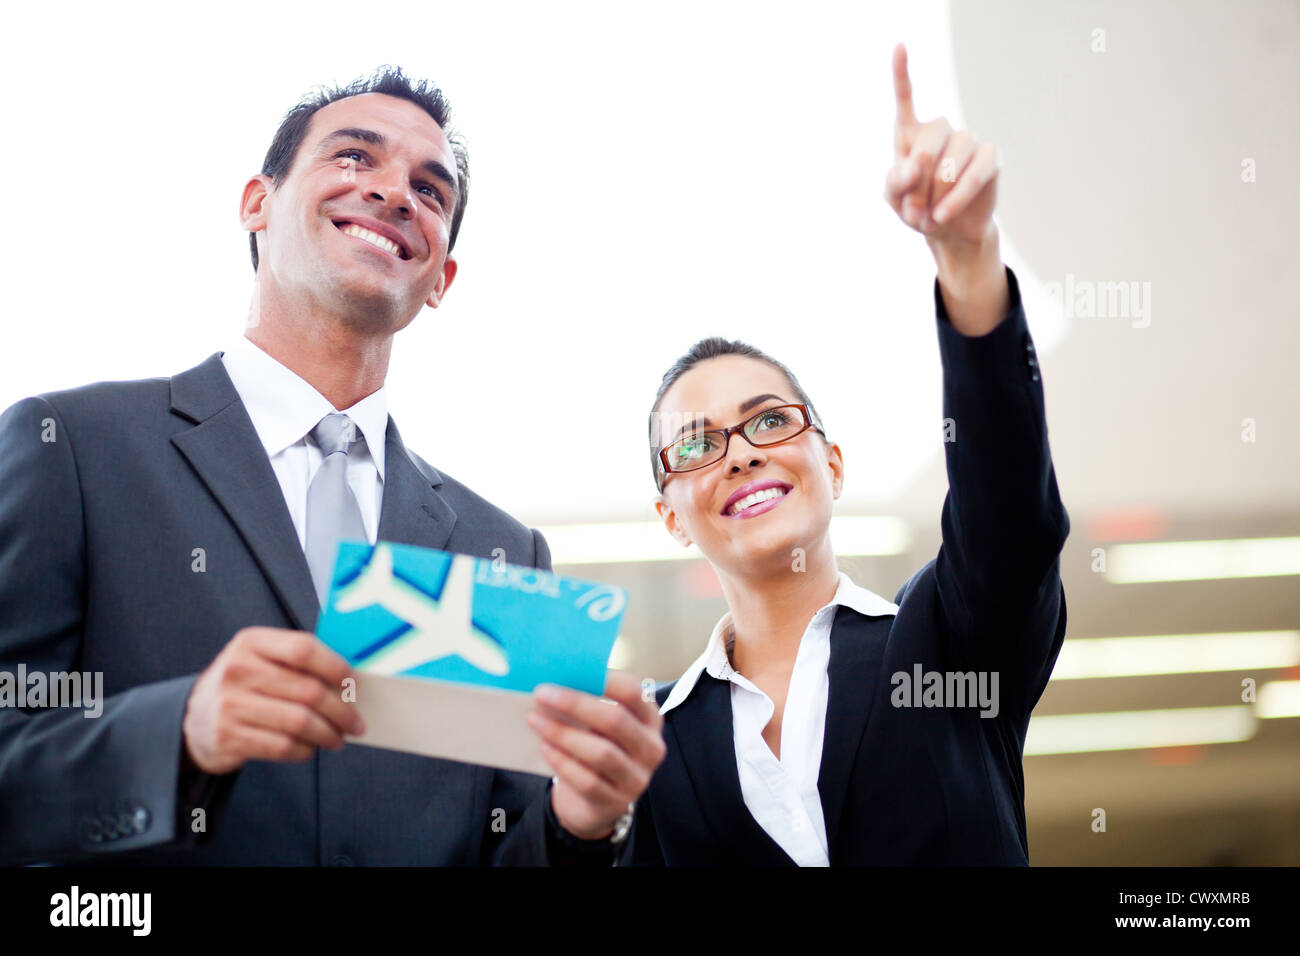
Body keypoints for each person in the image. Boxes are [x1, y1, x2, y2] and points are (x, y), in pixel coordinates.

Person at [0, 66, 663, 865]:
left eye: (431, 189)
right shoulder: (72, 450)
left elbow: (511, 847)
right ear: (257, 203)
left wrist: (583, 823)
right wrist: (176, 733)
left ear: (441, 277)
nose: (395, 193)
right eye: (354, 158)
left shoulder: (505, 552)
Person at [613, 45, 1069, 865]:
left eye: (769, 423)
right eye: (697, 445)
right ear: (669, 517)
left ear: (833, 463)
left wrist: (966, 259)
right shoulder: (651, 750)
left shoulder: (949, 643)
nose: (742, 457)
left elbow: (1009, 511)